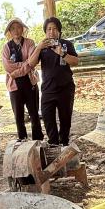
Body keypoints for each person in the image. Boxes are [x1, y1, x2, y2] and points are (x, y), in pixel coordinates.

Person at [29, 16, 79, 146]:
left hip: (65, 89)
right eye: (49, 29)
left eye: (55, 29)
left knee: (65, 119)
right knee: (48, 118)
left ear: (59, 31)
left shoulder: (66, 44)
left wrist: (62, 53)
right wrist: (38, 48)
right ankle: (53, 144)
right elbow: (31, 63)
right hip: (48, 90)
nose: (52, 31)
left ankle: (64, 144)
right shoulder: (42, 47)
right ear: (45, 32)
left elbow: (75, 62)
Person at [2, 17, 44, 141]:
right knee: (18, 117)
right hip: (14, 85)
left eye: (18, 27)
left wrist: (18, 70)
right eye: (13, 28)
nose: (16, 31)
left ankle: (38, 140)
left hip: (29, 83)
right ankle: (23, 140)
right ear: (9, 31)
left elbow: (33, 61)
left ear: (22, 29)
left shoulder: (30, 43)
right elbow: (7, 66)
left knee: (34, 114)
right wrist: (26, 64)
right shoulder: (6, 47)